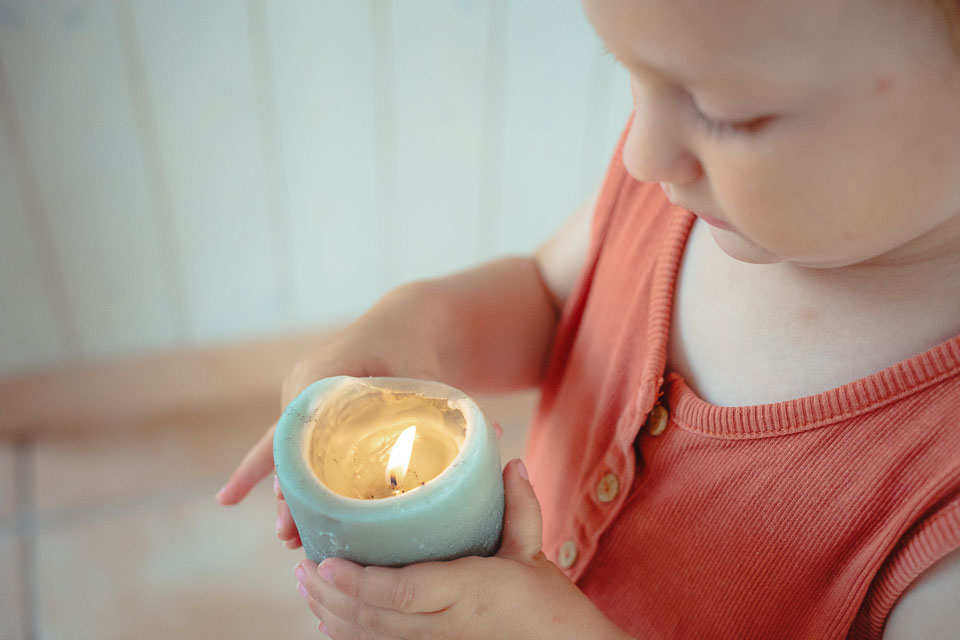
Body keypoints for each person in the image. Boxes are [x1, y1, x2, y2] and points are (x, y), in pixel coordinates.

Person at [217, 0, 960, 636]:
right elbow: (551, 298)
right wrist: (418, 321)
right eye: (629, 71)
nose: (641, 154)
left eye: (727, 114)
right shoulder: (679, 199)